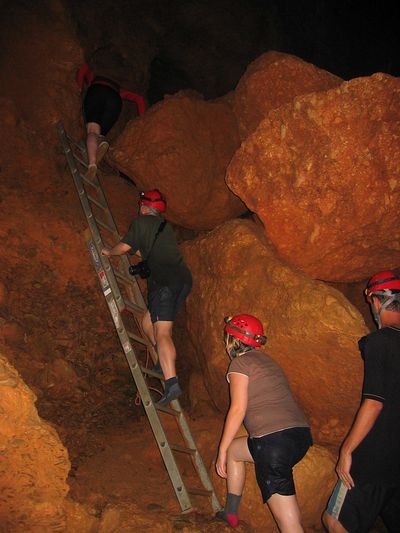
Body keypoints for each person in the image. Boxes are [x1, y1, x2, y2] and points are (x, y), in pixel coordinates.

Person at [216, 314, 312, 531]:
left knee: (288, 523)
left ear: (232, 339)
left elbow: (238, 408)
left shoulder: (239, 363)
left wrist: (220, 450)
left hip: (273, 442)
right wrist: (227, 450)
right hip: (299, 436)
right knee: (235, 451)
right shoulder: (269, 362)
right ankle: (230, 513)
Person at [323, 270, 400, 533]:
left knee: (335, 521)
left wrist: (347, 450)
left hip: (374, 457)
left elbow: (374, 403)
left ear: (376, 302)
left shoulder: (379, 343)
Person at [101, 189, 192, 406]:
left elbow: (123, 247)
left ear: (143, 207)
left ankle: (171, 383)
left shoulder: (141, 223)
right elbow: (147, 251)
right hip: (181, 281)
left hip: (164, 284)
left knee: (162, 332)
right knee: (147, 322)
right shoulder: (163, 227)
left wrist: (109, 252)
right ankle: (163, 361)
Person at [76, 61, 146, 179]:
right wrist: (143, 118)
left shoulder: (94, 77)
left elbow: (84, 68)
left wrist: (78, 87)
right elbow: (139, 99)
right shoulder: (120, 90)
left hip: (97, 90)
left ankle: (92, 164)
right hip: (115, 98)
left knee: (92, 131)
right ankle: (102, 140)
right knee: (100, 132)